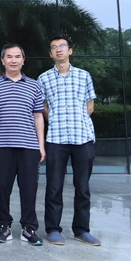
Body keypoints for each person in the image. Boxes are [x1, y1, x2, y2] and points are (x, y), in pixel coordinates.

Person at [38, 37, 100, 246]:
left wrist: (77, 120)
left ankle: (81, 230)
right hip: (56, 138)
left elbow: (90, 106)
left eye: (62, 46)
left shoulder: (84, 75)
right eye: (54, 48)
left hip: (82, 137)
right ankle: (53, 229)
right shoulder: (44, 78)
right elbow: (44, 107)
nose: (58, 50)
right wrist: (56, 120)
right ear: (50, 54)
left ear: (70, 51)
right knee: (54, 187)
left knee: (82, 187)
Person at [0, 43, 46, 246]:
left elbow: (38, 116)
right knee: (2, 187)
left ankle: (29, 228)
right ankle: (4, 226)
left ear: (23, 60)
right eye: (9, 56)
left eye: (17, 56)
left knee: (29, 188)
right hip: (1, 145)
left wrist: (41, 145)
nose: (13, 60)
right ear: (2, 60)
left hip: (29, 145)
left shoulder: (34, 85)